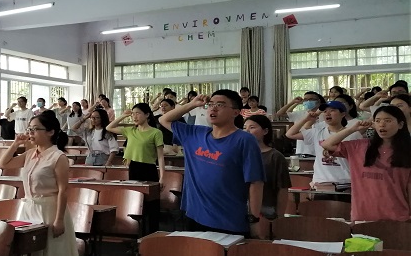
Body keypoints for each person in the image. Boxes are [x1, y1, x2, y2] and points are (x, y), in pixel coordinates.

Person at [0, 110, 79, 256]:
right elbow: (2, 164)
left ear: (50, 132)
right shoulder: (30, 154)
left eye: (35, 129)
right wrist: (15, 144)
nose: (30, 133)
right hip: (30, 210)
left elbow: (63, 191)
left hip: (50, 211)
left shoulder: (58, 157)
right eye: (29, 129)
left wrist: (59, 220)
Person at [159, 90, 265, 237]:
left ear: (235, 112)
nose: (213, 108)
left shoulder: (245, 140)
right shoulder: (194, 133)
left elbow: (256, 182)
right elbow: (164, 119)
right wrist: (192, 104)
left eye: (220, 105)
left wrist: (254, 220)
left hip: (228, 221)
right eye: (210, 104)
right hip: (194, 216)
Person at [321, 106, 411, 222]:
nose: (382, 124)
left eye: (388, 121)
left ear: (400, 124)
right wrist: (352, 129)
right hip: (362, 217)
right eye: (377, 121)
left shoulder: (407, 152)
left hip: (397, 217)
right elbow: (327, 144)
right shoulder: (359, 146)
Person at [107, 103, 165, 232]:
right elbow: (109, 127)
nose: (134, 116)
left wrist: (162, 177)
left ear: (147, 115)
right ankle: (139, 234)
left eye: (137, 113)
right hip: (134, 167)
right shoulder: (130, 130)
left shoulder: (156, 132)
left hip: (149, 169)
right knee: (137, 203)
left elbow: (160, 157)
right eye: (133, 114)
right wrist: (123, 116)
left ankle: (153, 233)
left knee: (152, 205)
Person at [286, 101, 364, 187]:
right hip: (321, 182)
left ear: (343, 114)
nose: (327, 113)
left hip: (346, 182)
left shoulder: (354, 134)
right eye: (325, 111)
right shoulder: (317, 132)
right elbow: (290, 134)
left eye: (332, 110)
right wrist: (306, 119)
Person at [244, 115, 291, 220]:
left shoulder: (275, 157)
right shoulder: (240, 153)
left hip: (265, 210)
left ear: (265, 131)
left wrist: (280, 216)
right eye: (244, 127)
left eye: (252, 127)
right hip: (241, 207)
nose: (247, 131)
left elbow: (283, 189)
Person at [275, 91, 326, 156]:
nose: (308, 101)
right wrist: (293, 102)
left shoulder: (325, 115)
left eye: (311, 99)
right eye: (305, 99)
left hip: (319, 151)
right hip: (302, 150)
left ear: (318, 101)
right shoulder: (300, 113)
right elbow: (280, 113)